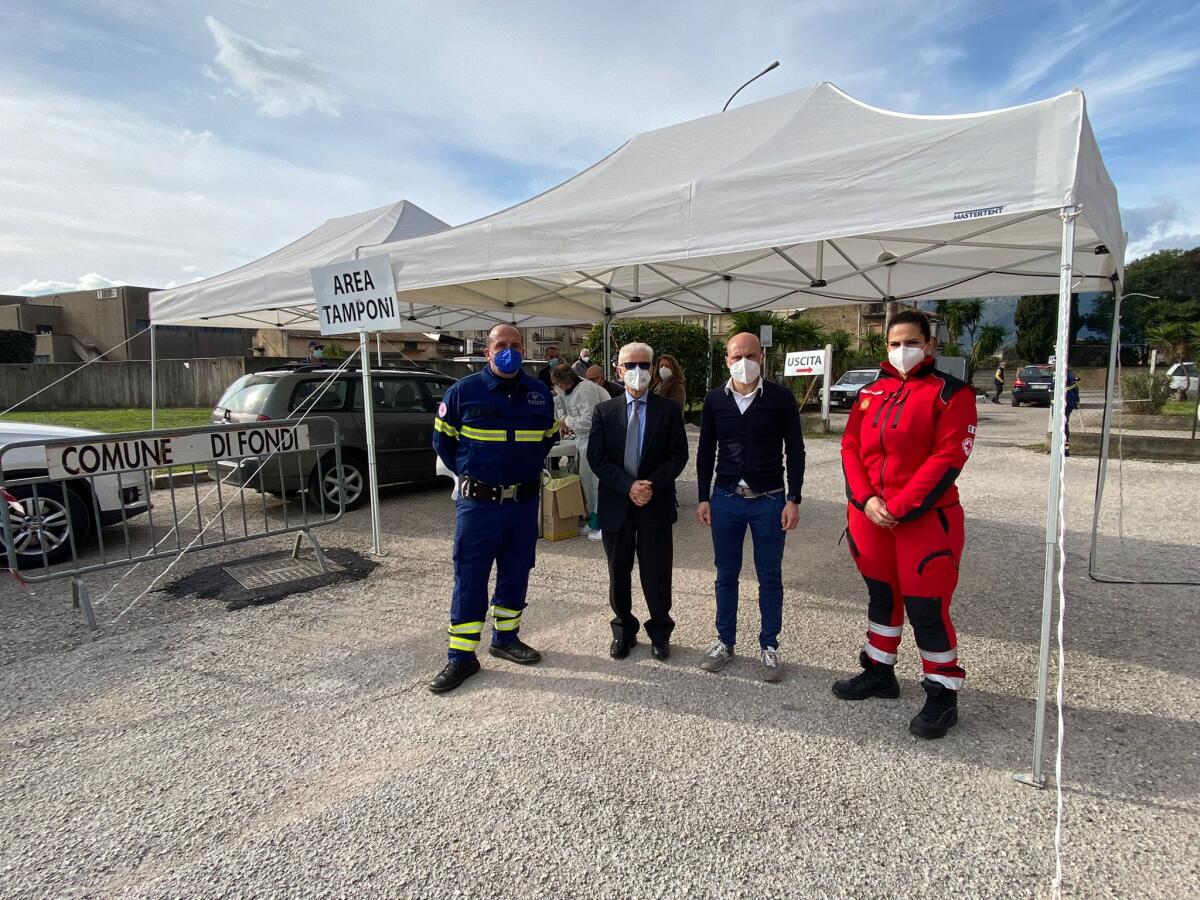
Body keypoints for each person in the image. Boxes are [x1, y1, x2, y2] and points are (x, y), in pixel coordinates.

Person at [833, 308, 977, 739]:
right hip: (870, 515)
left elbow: (948, 457)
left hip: (924, 519)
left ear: (930, 345)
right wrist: (866, 499)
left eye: (911, 342)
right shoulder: (870, 392)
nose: (902, 351)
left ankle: (942, 694)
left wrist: (898, 505)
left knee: (926, 608)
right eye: (894, 344)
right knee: (882, 596)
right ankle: (879, 671)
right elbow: (850, 446)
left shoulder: (952, 394)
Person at [429, 324, 559, 693]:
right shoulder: (462, 392)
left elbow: (546, 440)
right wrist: (476, 476)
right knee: (470, 574)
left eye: (516, 345)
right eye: (501, 345)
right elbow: (444, 443)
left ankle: (506, 639)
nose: (510, 351)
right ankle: (461, 656)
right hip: (478, 505)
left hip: (523, 503)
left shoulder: (538, 393)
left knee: (517, 571)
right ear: (487, 352)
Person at [695, 332, 804, 682]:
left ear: (762, 357)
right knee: (726, 574)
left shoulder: (781, 398)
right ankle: (724, 642)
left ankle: (769, 645)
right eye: (736, 356)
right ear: (727, 360)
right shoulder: (714, 400)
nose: (744, 362)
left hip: (770, 500)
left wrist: (794, 498)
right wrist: (702, 496)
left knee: (769, 576)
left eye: (751, 355)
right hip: (726, 498)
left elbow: (796, 450)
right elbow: (705, 452)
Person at [587, 342, 689, 661]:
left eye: (643, 365)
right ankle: (624, 631)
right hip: (617, 504)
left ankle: (660, 632)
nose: (637, 372)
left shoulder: (669, 409)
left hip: (654, 503)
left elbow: (678, 456)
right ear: (618, 370)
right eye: (630, 366)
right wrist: (628, 486)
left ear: (651, 369)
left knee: (656, 573)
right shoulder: (604, 411)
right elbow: (597, 458)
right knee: (618, 572)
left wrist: (649, 486)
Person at [550, 365, 609, 540]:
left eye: (557, 383)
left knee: (598, 483)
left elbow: (589, 420)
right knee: (586, 480)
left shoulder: (585, 390)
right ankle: (593, 520)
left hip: (599, 438)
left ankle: (604, 523)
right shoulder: (572, 391)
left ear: (564, 381)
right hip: (585, 440)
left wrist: (567, 421)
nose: (556, 387)